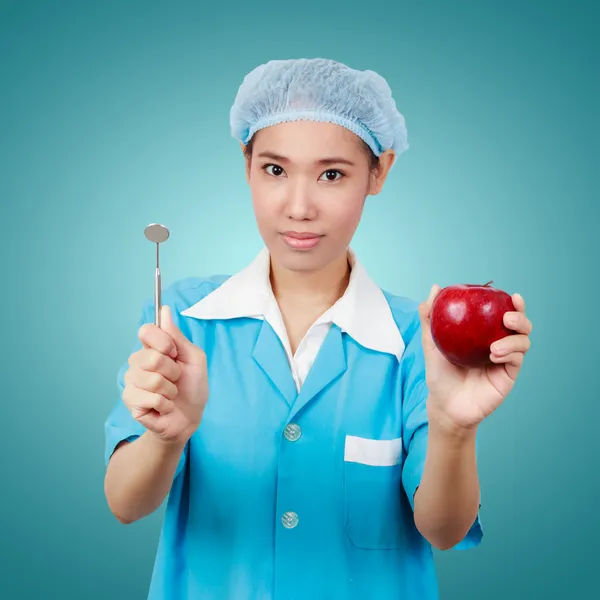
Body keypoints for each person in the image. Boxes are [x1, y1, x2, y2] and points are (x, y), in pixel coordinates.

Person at [103, 57, 533, 600]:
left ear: (379, 172)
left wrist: (453, 426)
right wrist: (166, 437)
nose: (299, 207)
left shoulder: (419, 340)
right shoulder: (183, 321)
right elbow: (124, 503)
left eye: (332, 174)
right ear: (247, 165)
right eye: (275, 170)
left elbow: (443, 531)